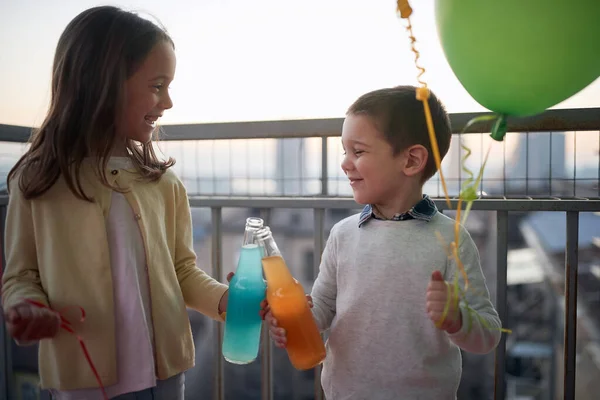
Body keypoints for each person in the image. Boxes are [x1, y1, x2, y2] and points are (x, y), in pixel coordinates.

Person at [2, 6, 229, 399]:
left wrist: (230, 300)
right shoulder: (37, 180)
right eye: (157, 86)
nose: (168, 102)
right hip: (79, 381)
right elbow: (21, 275)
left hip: (166, 379)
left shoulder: (164, 183)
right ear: (102, 84)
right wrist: (25, 306)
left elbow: (182, 271)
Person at [263, 86, 502, 399]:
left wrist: (456, 319)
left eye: (358, 152)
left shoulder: (453, 241)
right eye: (344, 152)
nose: (345, 163)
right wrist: (296, 318)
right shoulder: (342, 234)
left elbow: (488, 334)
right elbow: (322, 307)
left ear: (411, 160)